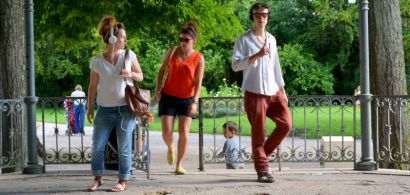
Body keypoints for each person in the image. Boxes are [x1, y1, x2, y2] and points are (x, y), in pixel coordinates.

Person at [231, 3, 292, 183]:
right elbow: (235, 65)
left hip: (274, 90)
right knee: (259, 133)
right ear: (252, 17)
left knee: (286, 124)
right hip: (254, 91)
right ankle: (263, 171)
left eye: (264, 15)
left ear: (268, 17)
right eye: (257, 15)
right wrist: (256, 55)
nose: (261, 18)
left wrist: (282, 89)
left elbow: (276, 66)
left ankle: (260, 155)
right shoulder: (243, 40)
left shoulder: (272, 39)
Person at [86, 16, 143, 192]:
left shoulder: (129, 55)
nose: (125, 40)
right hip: (104, 111)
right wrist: (89, 107)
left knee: (124, 148)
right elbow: (92, 86)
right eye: (122, 37)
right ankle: (98, 178)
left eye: (125, 37)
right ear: (112, 38)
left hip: (126, 110)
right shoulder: (97, 61)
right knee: (97, 147)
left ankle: (123, 180)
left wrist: (130, 74)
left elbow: (140, 76)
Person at [154, 21, 205, 175]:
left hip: (187, 99)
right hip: (168, 96)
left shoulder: (198, 58)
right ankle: (170, 147)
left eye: (186, 40)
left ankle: (179, 165)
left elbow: (198, 82)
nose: (182, 43)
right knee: (166, 131)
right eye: (181, 39)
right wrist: (158, 90)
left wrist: (195, 101)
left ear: (193, 41)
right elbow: (162, 71)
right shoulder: (172, 52)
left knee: (184, 130)